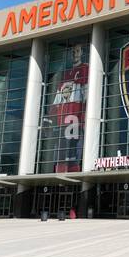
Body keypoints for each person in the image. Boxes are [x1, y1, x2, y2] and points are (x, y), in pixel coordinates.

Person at [49, 43, 88, 172]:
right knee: (61, 149)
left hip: (75, 121)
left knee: (73, 149)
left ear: (82, 53)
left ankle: (74, 173)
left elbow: (87, 96)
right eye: (73, 52)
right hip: (62, 122)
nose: (75, 54)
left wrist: (84, 117)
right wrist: (50, 119)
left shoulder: (85, 69)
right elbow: (57, 100)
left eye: (77, 51)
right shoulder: (66, 73)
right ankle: (59, 174)